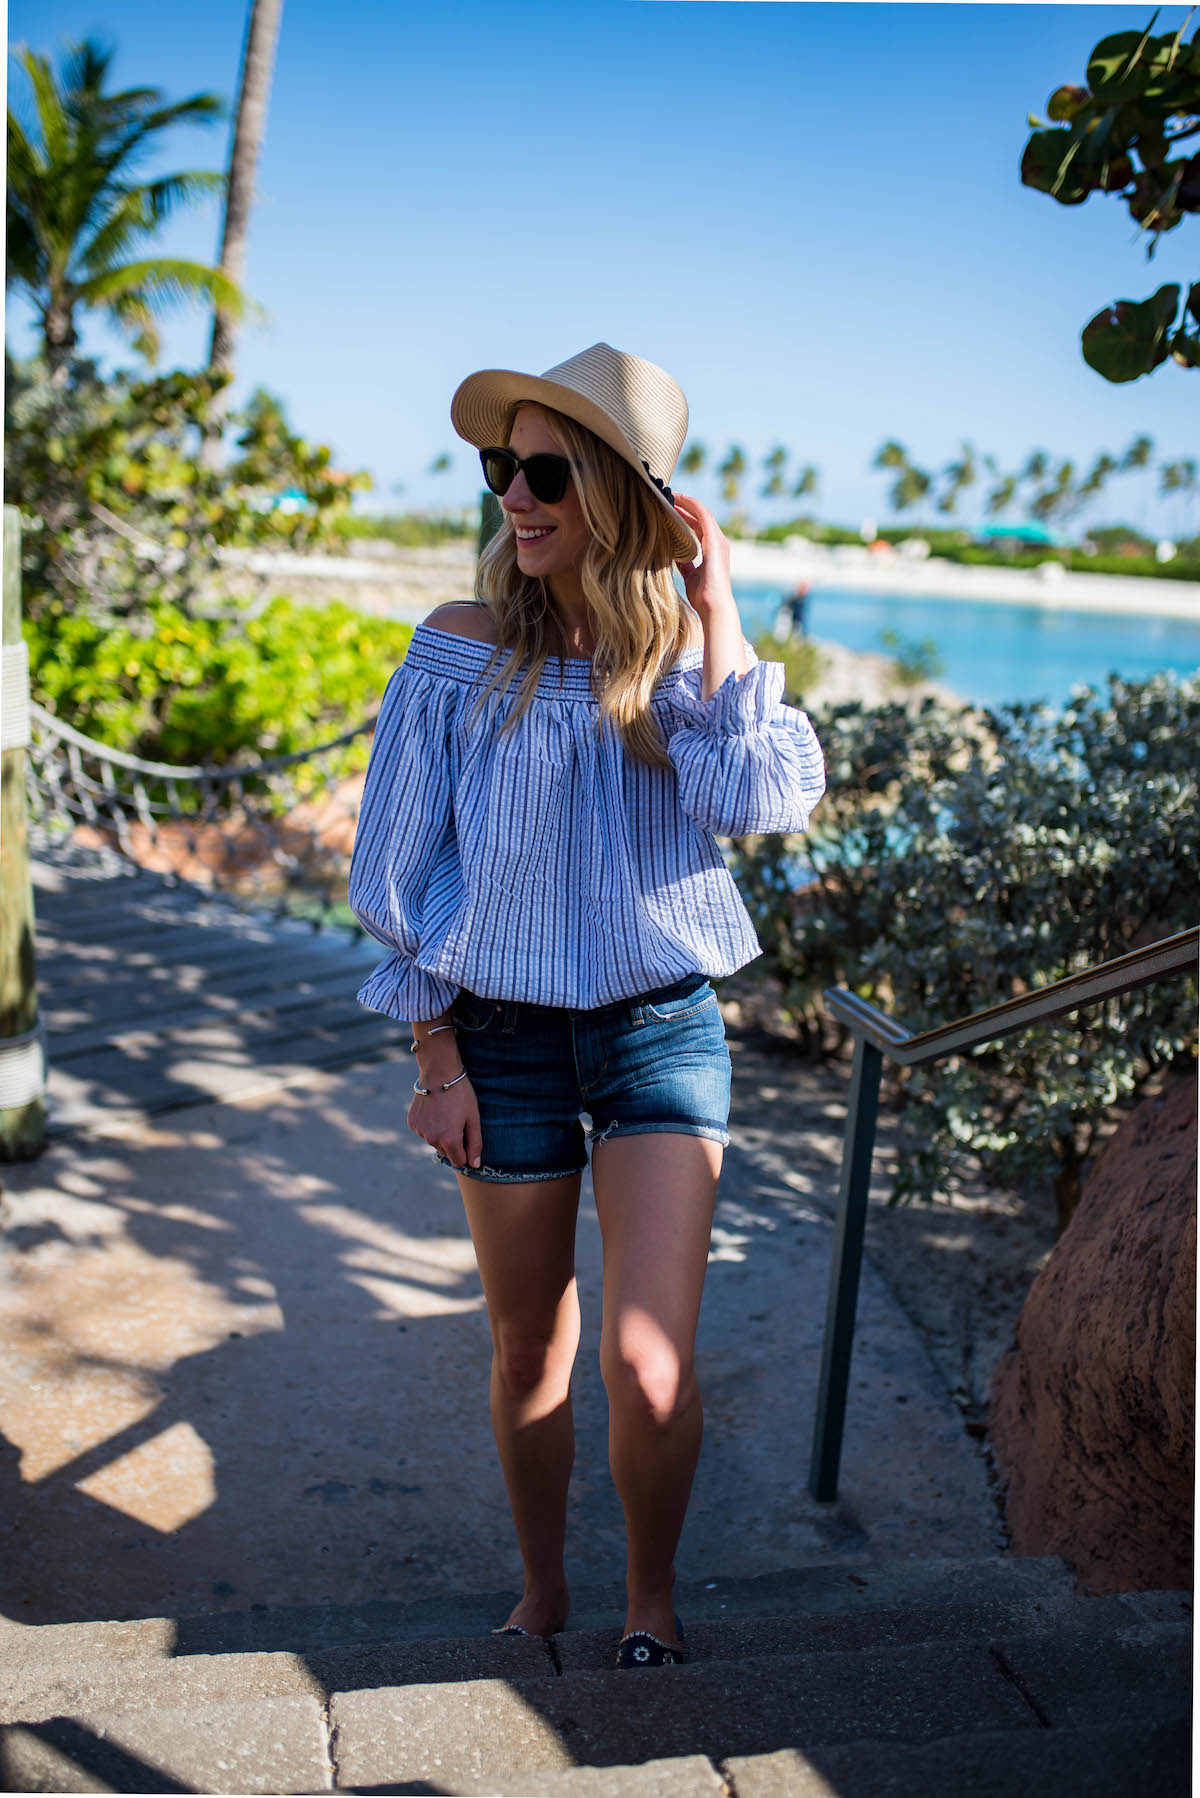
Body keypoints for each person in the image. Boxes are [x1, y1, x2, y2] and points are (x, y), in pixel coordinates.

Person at [348, 343, 826, 1670]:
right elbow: (396, 873)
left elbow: (762, 800)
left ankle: (653, 1600)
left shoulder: (680, 664)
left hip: (659, 1027)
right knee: (529, 1351)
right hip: (494, 1043)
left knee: (650, 1362)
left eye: (547, 469)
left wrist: (715, 601)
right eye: (503, 464)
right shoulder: (456, 652)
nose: (514, 493)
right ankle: (547, 1585)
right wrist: (433, 1050)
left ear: (619, 492)